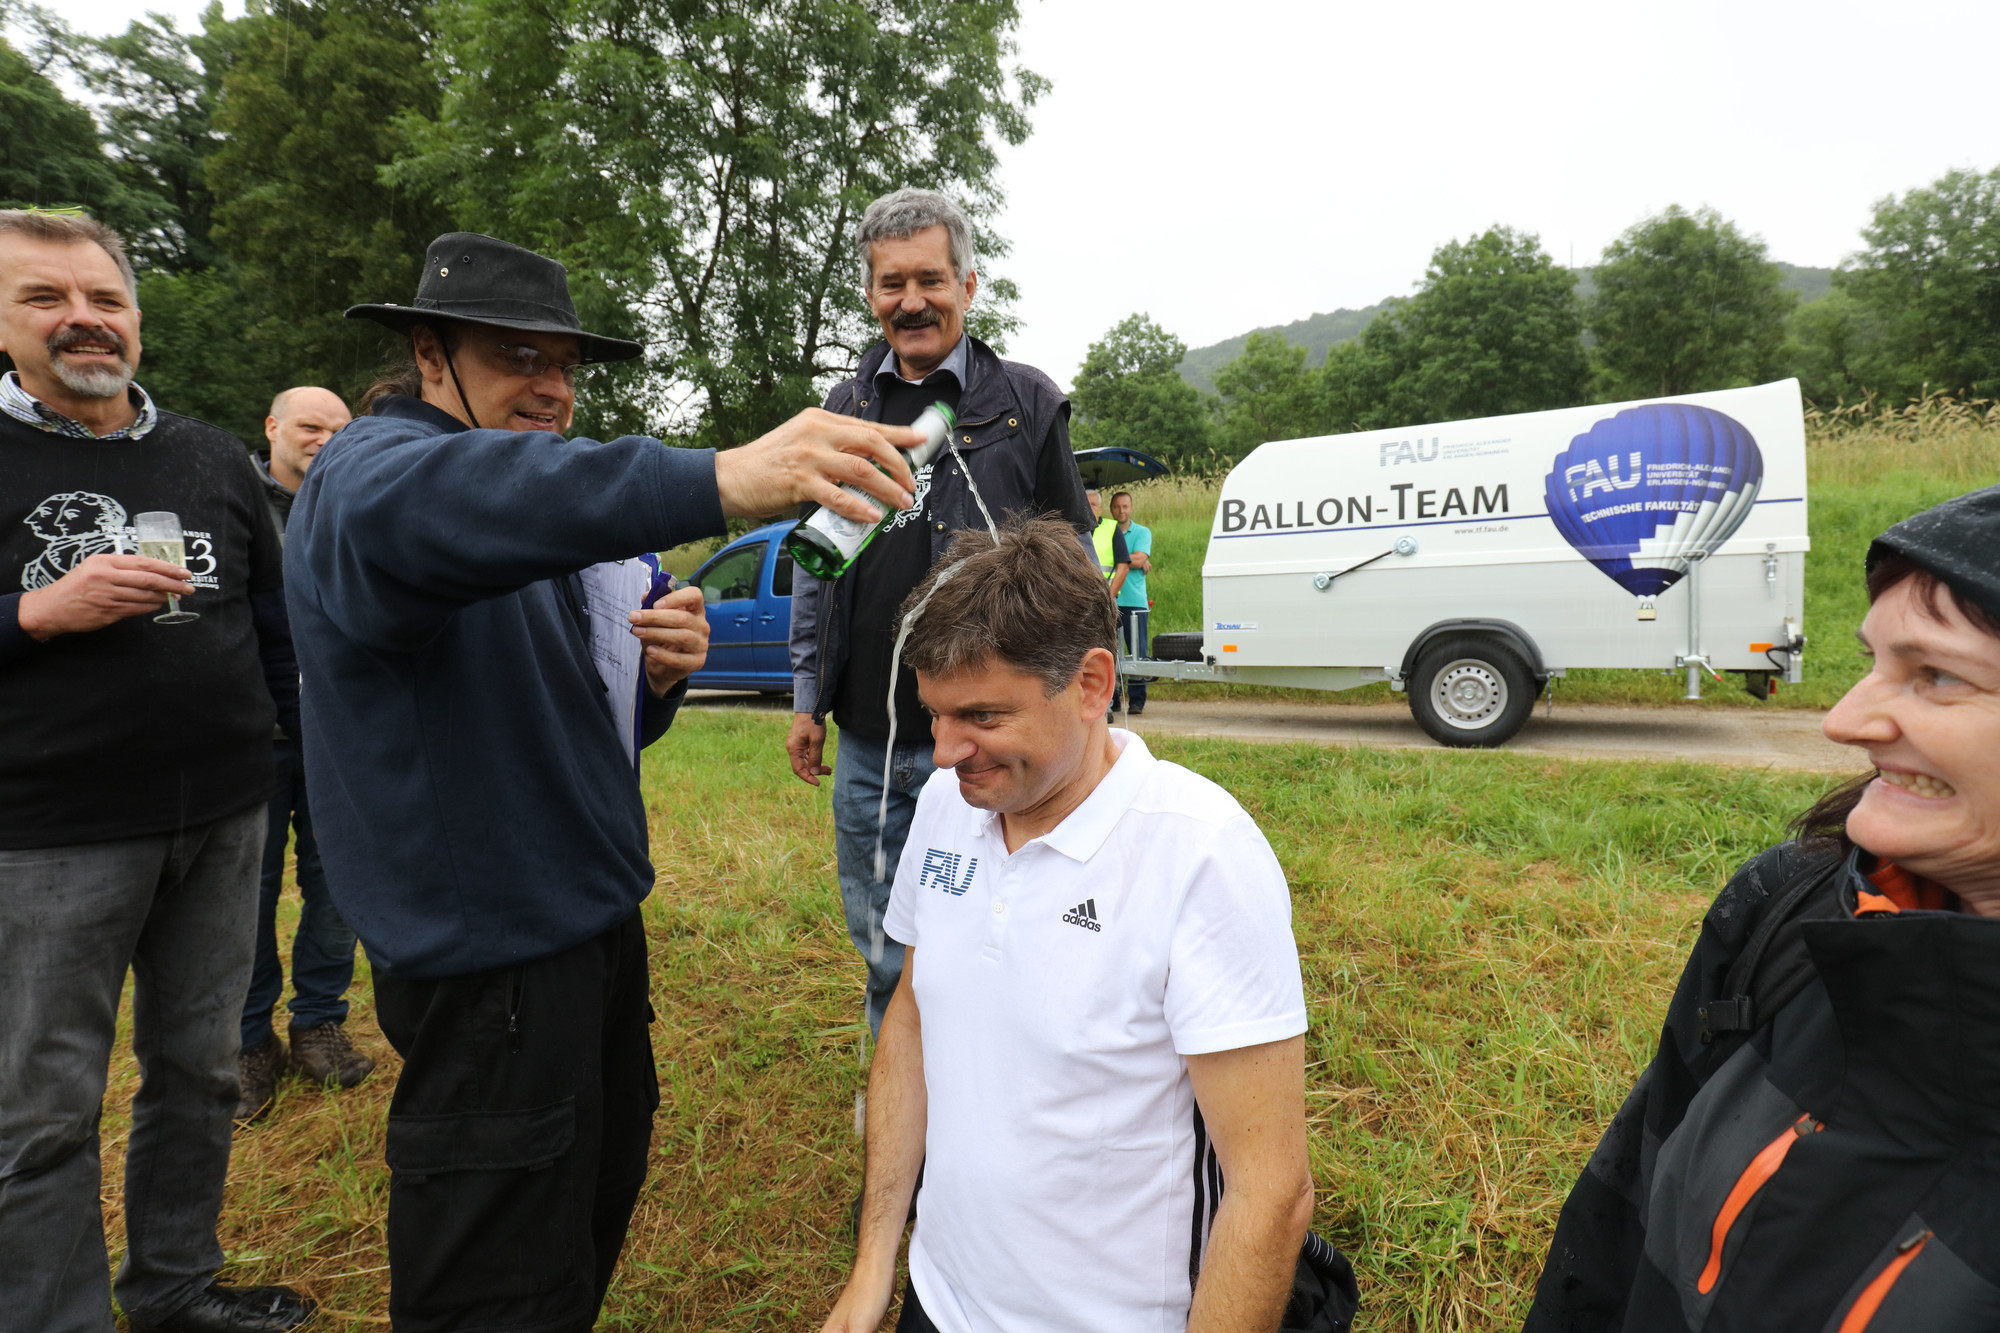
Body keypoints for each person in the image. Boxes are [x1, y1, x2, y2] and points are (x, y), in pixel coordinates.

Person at [287, 231, 927, 1333]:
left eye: (565, 365)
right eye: (515, 356)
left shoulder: (507, 514)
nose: (550, 387)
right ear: (429, 353)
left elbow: (563, 714)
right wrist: (719, 478)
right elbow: (447, 499)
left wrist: (661, 675)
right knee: (497, 1285)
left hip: (584, 933)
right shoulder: (373, 472)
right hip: (492, 962)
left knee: (580, 1219)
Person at [821, 518, 1317, 1333]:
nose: (943, 752)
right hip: (937, 1299)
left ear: (1091, 685)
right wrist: (877, 1259)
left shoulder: (1200, 853)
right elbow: (910, 1019)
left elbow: (1271, 1190)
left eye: (980, 715)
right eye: (932, 714)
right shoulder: (949, 805)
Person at [1524, 484, 2000, 1331]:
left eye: (1936, 675)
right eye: (1874, 661)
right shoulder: (1791, 906)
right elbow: (1619, 1214)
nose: (1846, 719)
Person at [0, 209, 314, 1332]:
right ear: (4, 321)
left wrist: (298, 752)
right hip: (46, 838)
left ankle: (175, 1292)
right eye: (45, 297)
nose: (83, 319)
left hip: (224, 817)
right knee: (42, 1113)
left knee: (201, 1072)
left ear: (134, 316)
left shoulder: (207, 455)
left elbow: (274, 626)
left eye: (105, 298)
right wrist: (31, 610)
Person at [786, 188, 1093, 1040]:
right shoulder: (842, 412)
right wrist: (806, 699)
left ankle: (1003, 1077)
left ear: (967, 284)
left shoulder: (1024, 403)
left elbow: (1074, 560)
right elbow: (814, 572)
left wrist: (1078, 696)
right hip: (871, 737)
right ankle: (901, 1113)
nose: (911, 301)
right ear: (871, 293)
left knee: (1014, 919)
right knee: (886, 937)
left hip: (996, 728)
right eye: (891, 283)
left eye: (930, 279)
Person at [236, 385, 372, 1122]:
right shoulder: (233, 502)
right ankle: (248, 1041)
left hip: (338, 737)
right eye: (310, 425)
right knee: (245, 897)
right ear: (273, 427)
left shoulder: (356, 507)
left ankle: (318, 1021)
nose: (325, 439)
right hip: (253, 740)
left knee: (337, 886)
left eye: (339, 428)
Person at [1111, 488, 1152, 715]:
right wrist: (1131, 558)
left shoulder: (1143, 532)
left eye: (1125, 506)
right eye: (1117, 507)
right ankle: (1114, 699)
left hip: (1135, 601)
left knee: (1137, 650)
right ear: (1111, 509)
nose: (1121, 510)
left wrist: (1121, 557)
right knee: (1112, 652)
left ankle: (1137, 701)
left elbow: (1140, 558)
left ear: (1131, 508)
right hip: (1112, 599)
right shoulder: (1106, 530)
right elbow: (1133, 559)